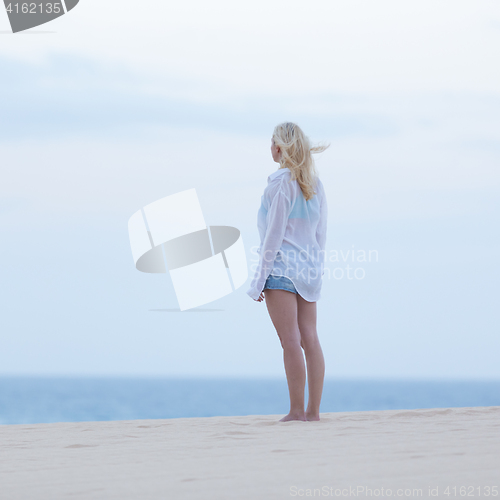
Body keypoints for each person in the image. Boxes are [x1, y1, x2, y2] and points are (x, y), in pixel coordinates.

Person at [246, 122, 329, 422]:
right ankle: (313, 412)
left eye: (271, 143)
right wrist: (316, 271)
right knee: (311, 338)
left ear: (279, 148)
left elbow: (273, 235)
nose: (269, 148)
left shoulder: (280, 183)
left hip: (282, 271)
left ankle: (296, 411)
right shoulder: (315, 185)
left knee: (291, 341)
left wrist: (258, 282)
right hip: (308, 271)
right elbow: (320, 235)